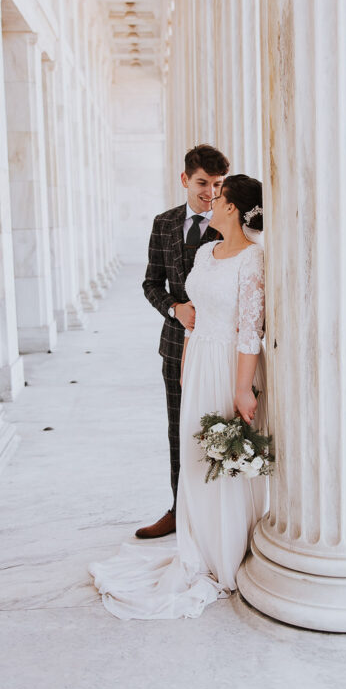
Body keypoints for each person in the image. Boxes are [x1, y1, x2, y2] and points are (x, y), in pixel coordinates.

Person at [89, 175, 267, 619]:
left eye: (220, 195)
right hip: (199, 361)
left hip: (229, 364)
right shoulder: (206, 253)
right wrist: (186, 365)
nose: (212, 199)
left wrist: (243, 388)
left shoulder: (254, 259)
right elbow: (195, 314)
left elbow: (249, 329)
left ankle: (226, 552)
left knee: (222, 457)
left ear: (231, 208)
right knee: (193, 454)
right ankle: (197, 545)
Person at [135, 144, 229, 539]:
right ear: (185, 180)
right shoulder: (164, 223)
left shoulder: (234, 223)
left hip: (219, 347)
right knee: (179, 429)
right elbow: (151, 283)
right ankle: (179, 510)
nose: (210, 193)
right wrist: (175, 309)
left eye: (218, 184)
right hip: (176, 347)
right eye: (203, 183)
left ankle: (219, 517)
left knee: (220, 429)